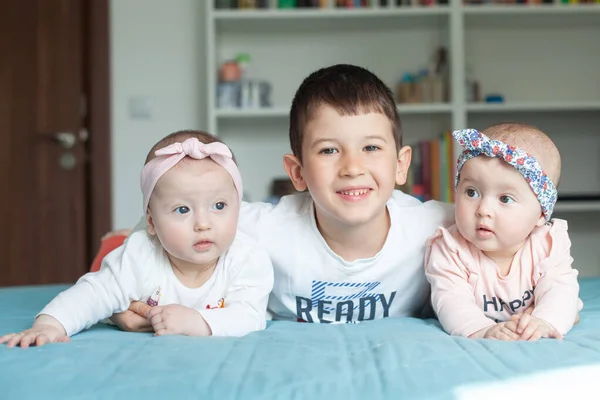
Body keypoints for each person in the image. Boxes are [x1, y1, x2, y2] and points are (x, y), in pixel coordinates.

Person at [101, 64, 454, 327]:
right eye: (329, 151)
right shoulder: (263, 228)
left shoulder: (434, 226)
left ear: (400, 164)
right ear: (297, 172)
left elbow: (505, 227)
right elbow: (164, 223)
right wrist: (119, 308)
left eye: (372, 147)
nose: (352, 167)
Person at [0, 130, 274, 348]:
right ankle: (113, 241)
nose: (203, 224)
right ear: (152, 222)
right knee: (108, 263)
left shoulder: (247, 257)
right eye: (182, 209)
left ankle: (115, 238)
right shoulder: (140, 255)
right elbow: (92, 293)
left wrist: (197, 321)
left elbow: (250, 315)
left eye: (219, 206)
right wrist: (49, 326)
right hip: (127, 251)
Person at [425, 124, 581, 341]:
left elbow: (559, 287)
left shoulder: (546, 244)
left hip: (535, 311)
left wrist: (545, 321)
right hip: (481, 318)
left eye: (505, 199)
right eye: (471, 192)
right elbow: (450, 300)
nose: (483, 210)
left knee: (564, 302)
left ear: (540, 215)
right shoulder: (451, 249)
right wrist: (482, 329)